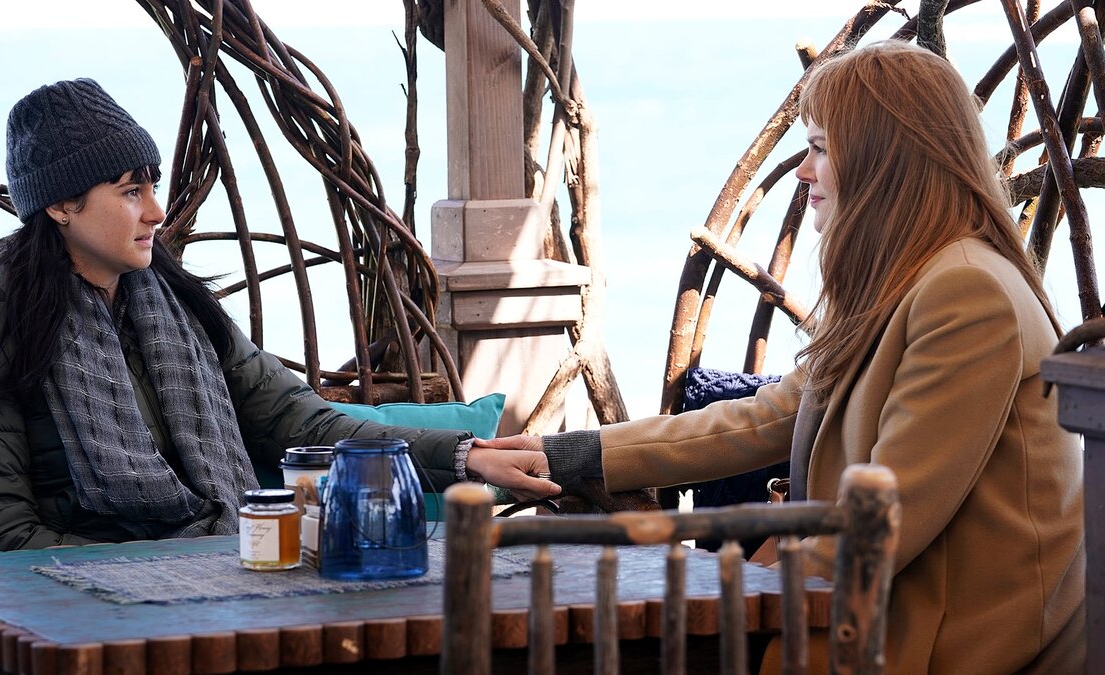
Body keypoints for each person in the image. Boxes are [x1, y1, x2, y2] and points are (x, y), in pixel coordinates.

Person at [463, 41, 1085, 673]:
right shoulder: (905, 278)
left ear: (882, 158)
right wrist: (571, 455)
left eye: (820, 148)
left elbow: (883, 523)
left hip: (944, 643)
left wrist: (726, 589)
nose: (802, 172)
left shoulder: (968, 292)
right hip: (868, 613)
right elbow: (768, 416)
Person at [0, 78, 473, 553]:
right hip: (89, 609)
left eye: (153, 187)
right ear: (61, 205)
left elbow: (300, 423)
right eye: (131, 192)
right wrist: (162, 575)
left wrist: (464, 456)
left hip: (224, 565)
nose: (157, 212)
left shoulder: (180, 305)